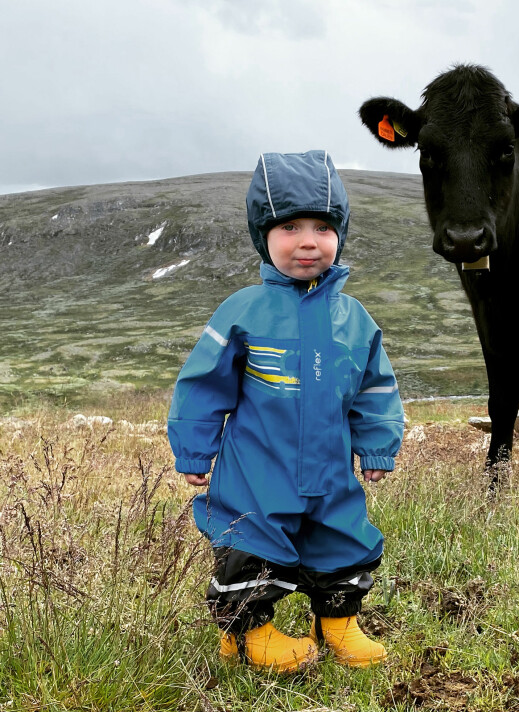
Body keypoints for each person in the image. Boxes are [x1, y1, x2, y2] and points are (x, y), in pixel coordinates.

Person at [168, 150, 404, 672]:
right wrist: (193, 449)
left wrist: (377, 445)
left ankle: (339, 623)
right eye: (290, 226)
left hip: (331, 469)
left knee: (343, 538)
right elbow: (203, 383)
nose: (307, 241)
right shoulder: (242, 311)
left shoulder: (355, 318)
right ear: (263, 236)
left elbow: (375, 385)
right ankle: (248, 633)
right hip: (258, 469)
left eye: (323, 226)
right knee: (250, 540)